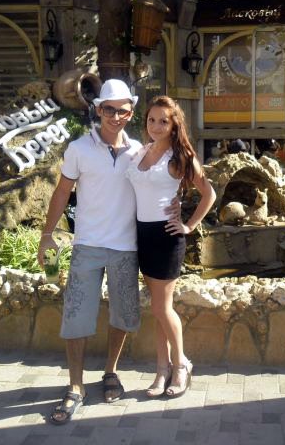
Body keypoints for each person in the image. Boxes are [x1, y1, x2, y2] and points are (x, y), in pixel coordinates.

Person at [37, 79, 177, 425]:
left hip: (126, 247)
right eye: (109, 109)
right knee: (77, 317)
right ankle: (75, 386)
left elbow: (167, 179)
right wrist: (46, 235)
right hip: (87, 245)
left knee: (123, 316)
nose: (116, 116)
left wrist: (178, 208)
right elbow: (61, 192)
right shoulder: (78, 149)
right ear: (98, 109)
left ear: (131, 112)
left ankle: (110, 371)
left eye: (123, 110)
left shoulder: (139, 151)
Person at [126, 96, 216, 398]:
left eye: (163, 121)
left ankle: (180, 366)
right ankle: (161, 370)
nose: (156, 126)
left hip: (166, 236)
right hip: (141, 235)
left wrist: (189, 225)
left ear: (174, 124)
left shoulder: (180, 157)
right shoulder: (141, 151)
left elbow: (209, 194)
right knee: (158, 310)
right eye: (152, 120)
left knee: (161, 308)